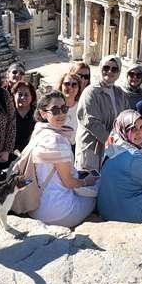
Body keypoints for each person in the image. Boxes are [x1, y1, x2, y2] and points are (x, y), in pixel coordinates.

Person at [27, 92, 97, 227]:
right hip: (59, 213)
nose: (61, 114)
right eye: (55, 110)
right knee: (94, 195)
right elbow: (69, 183)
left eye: (64, 109)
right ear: (43, 113)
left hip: (35, 208)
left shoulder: (38, 131)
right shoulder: (57, 140)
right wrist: (86, 181)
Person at [75, 55, 126, 172]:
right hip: (92, 149)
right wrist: (114, 142)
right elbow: (91, 122)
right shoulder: (91, 92)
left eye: (114, 69)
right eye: (106, 68)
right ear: (100, 69)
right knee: (89, 186)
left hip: (113, 149)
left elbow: (126, 117)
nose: (109, 71)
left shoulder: (119, 93)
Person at [11, 80, 37, 152]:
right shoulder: (8, 113)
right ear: (14, 95)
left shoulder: (38, 114)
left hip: (32, 153)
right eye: (19, 94)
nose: (23, 97)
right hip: (9, 155)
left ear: (32, 96)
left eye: (26, 95)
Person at [58, 71, 83, 136]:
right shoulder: (54, 106)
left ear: (79, 88)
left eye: (74, 85)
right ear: (61, 86)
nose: (70, 87)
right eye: (67, 84)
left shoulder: (82, 107)